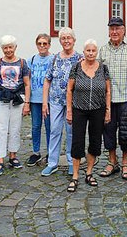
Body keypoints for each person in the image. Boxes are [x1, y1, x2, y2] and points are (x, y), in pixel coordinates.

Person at [99, 17, 127, 180]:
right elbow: (98, 73)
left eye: (118, 28)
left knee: (126, 133)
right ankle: (112, 161)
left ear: (124, 30)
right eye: (112, 28)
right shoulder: (103, 50)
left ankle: (125, 163)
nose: (114, 32)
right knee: (108, 132)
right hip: (108, 100)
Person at [65, 39, 111, 192]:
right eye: (88, 50)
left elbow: (108, 91)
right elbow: (69, 90)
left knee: (95, 141)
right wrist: (69, 110)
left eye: (93, 51)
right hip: (79, 109)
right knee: (77, 141)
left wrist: (108, 110)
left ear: (96, 52)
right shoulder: (76, 67)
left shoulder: (103, 68)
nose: (91, 53)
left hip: (98, 109)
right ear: (83, 52)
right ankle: (75, 176)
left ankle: (89, 173)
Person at [0, 35, 31, 176]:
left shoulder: (22, 63)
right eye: (5, 47)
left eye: (10, 47)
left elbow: (27, 84)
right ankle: (0, 159)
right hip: (0, 99)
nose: (8, 50)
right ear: (2, 49)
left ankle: (13, 156)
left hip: (17, 99)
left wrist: (27, 103)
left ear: (15, 47)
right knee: (0, 128)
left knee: (15, 128)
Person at [41, 27, 82, 177]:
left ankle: (72, 162)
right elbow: (47, 80)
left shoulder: (80, 58)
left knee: (71, 132)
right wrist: (45, 102)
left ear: (74, 40)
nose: (66, 41)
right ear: (60, 41)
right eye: (63, 38)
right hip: (56, 101)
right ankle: (52, 163)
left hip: (74, 102)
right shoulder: (54, 58)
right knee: (54, 131)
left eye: (68, 38)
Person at [26, 33, 53, 166]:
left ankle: (50, 152)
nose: (42, 46)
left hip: (48, 100)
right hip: (34, 99)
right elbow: (28, 80)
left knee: (49, 126)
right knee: (36, 126)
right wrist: (27, 99)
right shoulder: (31, 59)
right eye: (39, 43)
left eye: (45, 43)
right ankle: (36, 152)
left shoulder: (53, 59)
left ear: (49, 45)